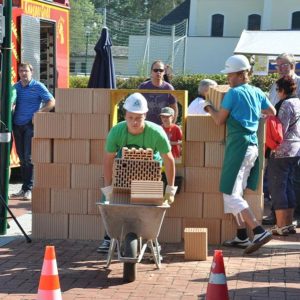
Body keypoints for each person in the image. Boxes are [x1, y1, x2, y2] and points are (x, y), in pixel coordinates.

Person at [203, 54, 276, 254]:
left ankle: (258, 231)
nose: (227, 78)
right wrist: (254, 115)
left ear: (240, 74)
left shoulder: (233, 94)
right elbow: (271, 112)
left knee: (230, 192)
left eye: (230, 74)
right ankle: (242, 236)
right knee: (236, 191)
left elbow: (219, 120)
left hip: (239, 148)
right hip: (252, 147)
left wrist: (208, 106)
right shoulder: (257, 91)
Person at [98, 92, 177, 253]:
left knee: (150, 206)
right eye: (131, 117)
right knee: (113, 206)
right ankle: (110, 236)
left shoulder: (156, 132)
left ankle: (151, 239)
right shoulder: (117, 131)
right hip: (124, 173)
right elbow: (108, 160)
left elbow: (169, 160)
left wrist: (170, 188)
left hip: (149, 174)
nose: (134, 122)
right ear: (125, 115)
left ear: (145, 115)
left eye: (138, 118)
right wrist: (108, 188)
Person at [263, 53, 300, 226]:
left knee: (283, 182)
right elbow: (270, 106)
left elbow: (282, 122)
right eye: (278, 65)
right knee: (283, 183)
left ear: (293, 65)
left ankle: (284, 222)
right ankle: (280, 217)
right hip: (289, 141)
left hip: (285, 142)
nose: (281, 68)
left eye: (285, 64)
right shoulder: (274, 85)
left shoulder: (297, 85)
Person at [10, 63, 55, 201]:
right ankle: (24, 188)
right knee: (22, 158)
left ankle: (29, 188)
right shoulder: (16, 87)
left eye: (26, 71)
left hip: (30, 125)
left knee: (28, 157)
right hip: (16, 125)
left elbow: (51, 101)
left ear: (31, 72)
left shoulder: (38, 86)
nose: (24, 73)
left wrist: (38, 113)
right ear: (18, 72)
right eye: (21, 71)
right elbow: (10, 101)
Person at [139, 60, 178, 125]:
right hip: (145, 126)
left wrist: (170, 126)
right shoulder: (143, 87)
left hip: (163, 128)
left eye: (161, 70)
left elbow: (174, 109)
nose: (158, 72)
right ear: (151, 72)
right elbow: (137, 107)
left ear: (164, 72)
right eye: (155, 70)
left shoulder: (169, 88)